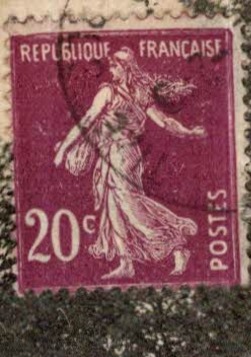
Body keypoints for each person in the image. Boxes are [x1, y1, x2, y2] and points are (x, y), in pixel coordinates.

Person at [52, 48, 206, 280]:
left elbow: (163, 121)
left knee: (128, 202)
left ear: (125, 68)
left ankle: (175, 242)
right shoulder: (119, 92)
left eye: (114, 66)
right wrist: (65, 147)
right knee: (114, 207)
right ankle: (126, 263)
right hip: (115, 152)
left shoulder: (123, 93)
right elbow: (89, 122)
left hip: (122, 153)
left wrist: (188, 131)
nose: (110, 70)